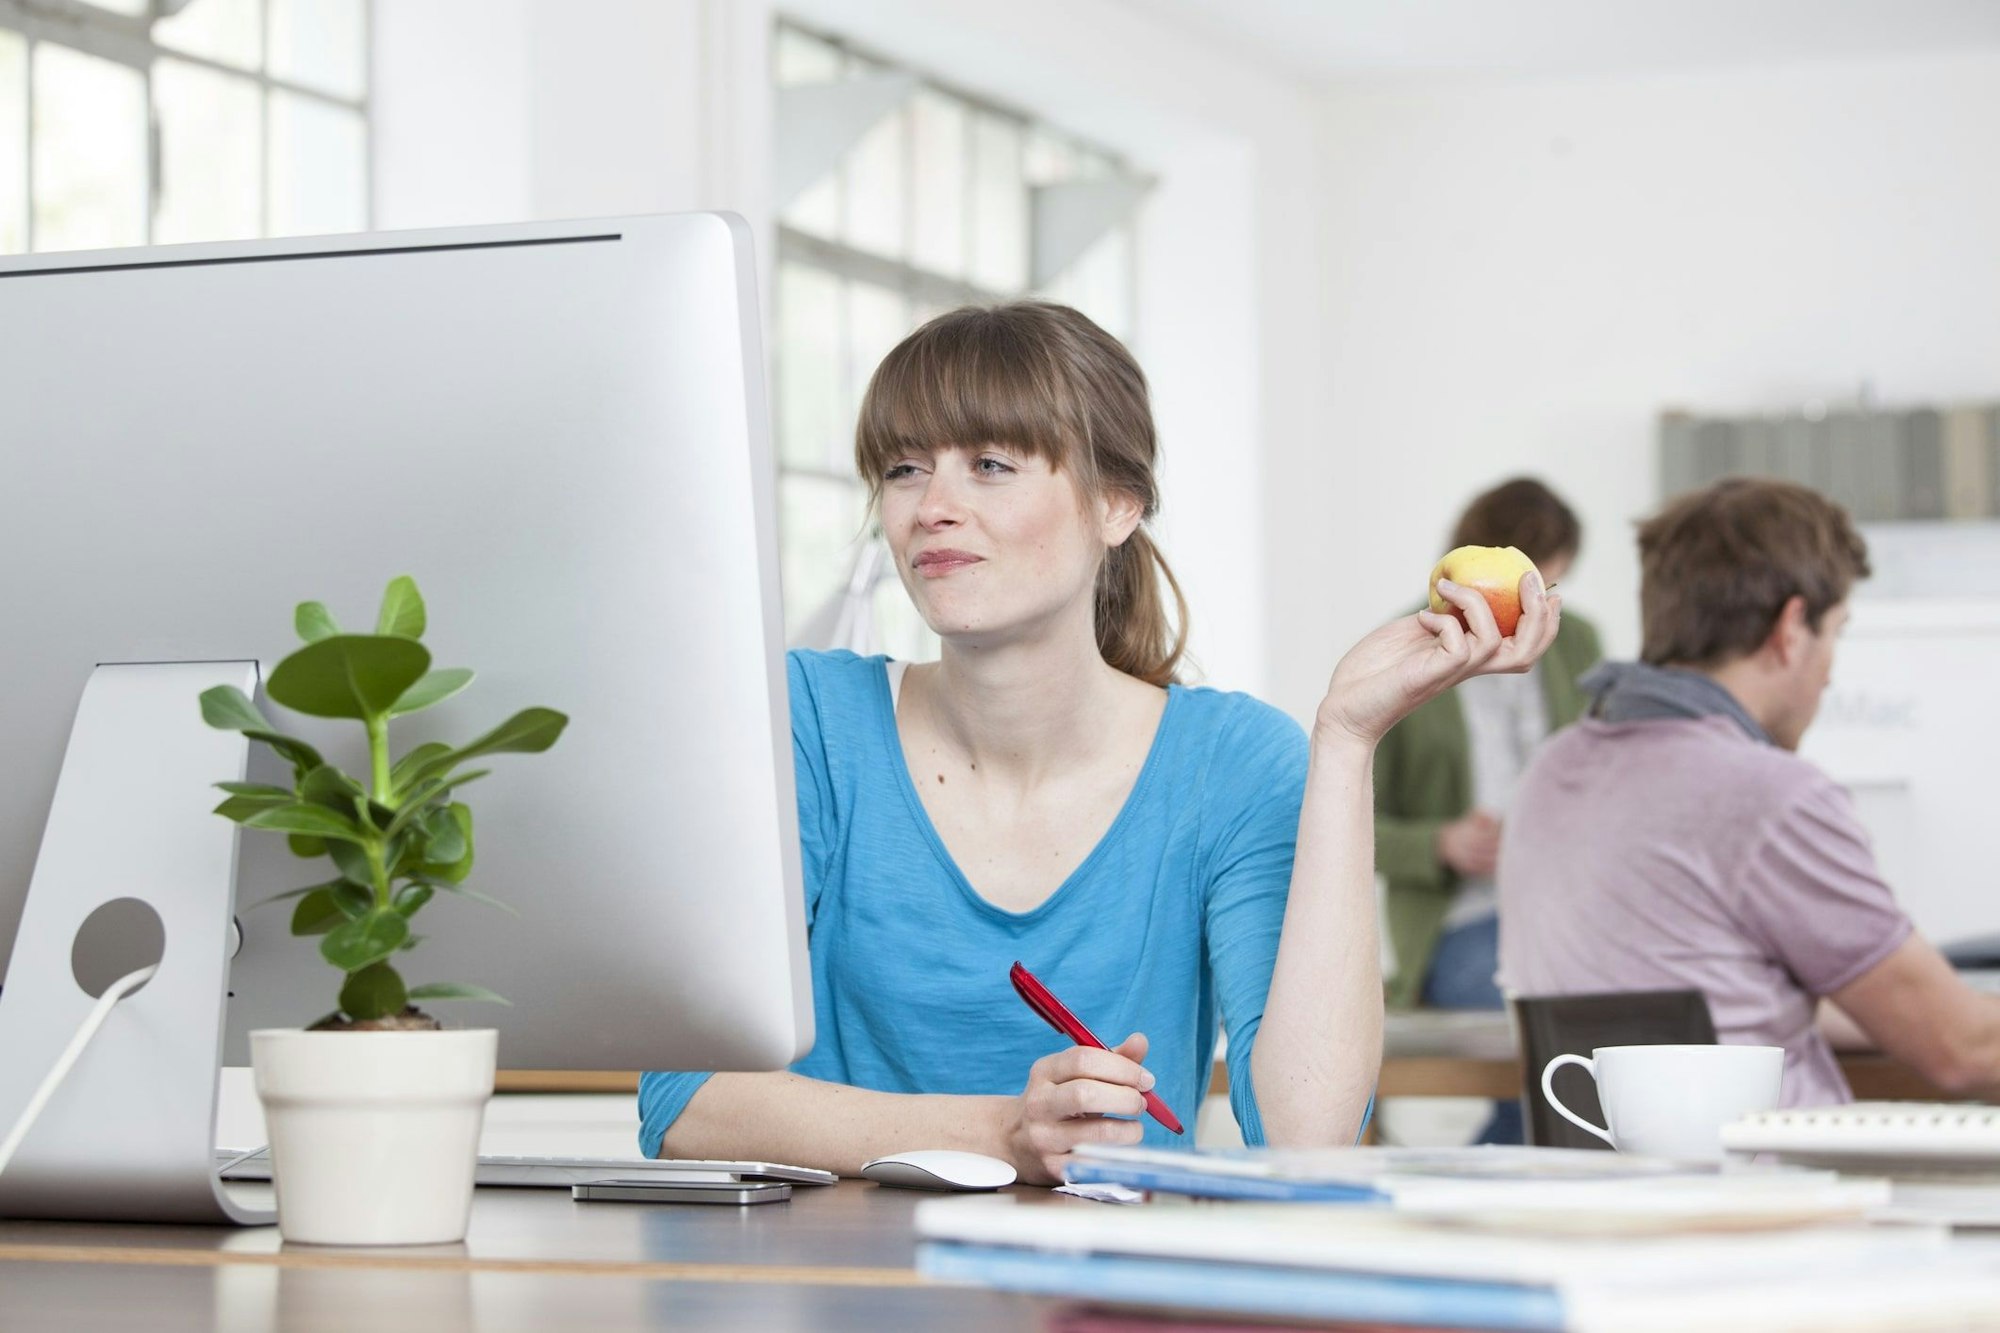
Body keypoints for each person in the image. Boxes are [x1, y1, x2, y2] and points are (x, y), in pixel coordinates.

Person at [639, 303, 1560, 1184]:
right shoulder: (806, 718)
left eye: (992, 464)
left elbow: (1308, 1133)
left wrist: (1349, 739)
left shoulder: (1235, 763)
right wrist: (1001, 1130)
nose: (933, 507)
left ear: (1116, 504)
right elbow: (682, 1097)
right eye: (905, 468)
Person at [1499, 478, 2000, 1106]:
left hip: (1607, 1189)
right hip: (1776, 1190)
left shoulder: (1552, 771)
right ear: (1792, 629)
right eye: (1836, 631)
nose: (1832, 671)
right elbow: (1963, 1048)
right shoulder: (1768, 795)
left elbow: (1711, 997)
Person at [1376, 479, 1603, 1018]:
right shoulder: (1403, 647)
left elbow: (1605, 773)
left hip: (1570, 907)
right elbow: (1349, 820)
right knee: (1532, 1009)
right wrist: (1440, 844)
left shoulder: (1577, 641)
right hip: (1462, 917)